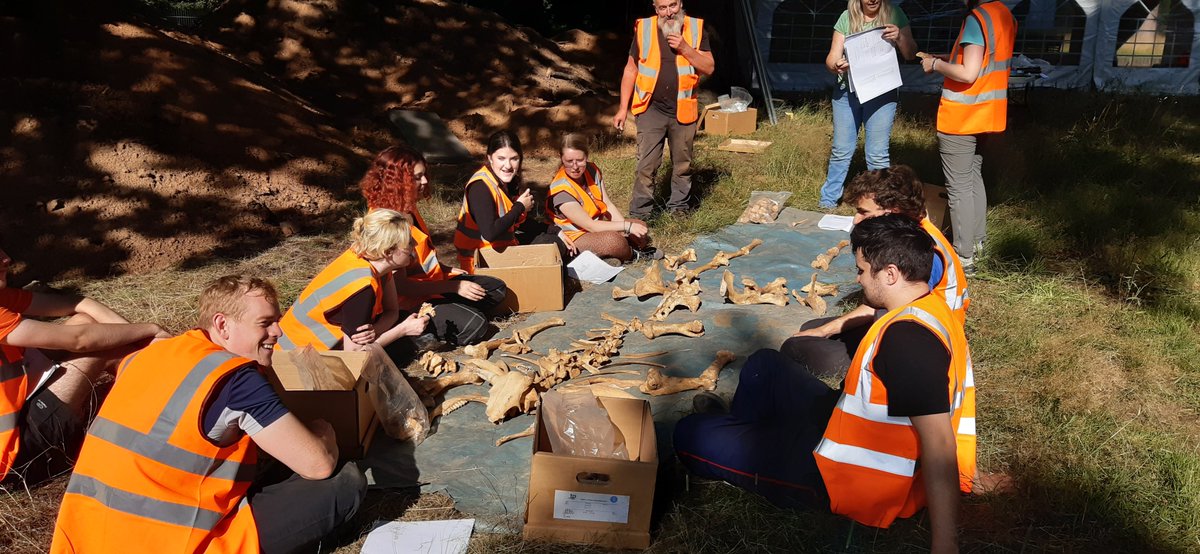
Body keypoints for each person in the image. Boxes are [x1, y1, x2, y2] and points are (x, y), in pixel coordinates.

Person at [674, 215, 976, 553]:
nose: (858, 279)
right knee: (765, 364)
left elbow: (939, 444)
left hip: (848, 479)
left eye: (862, 271)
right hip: (841, 427)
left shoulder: (908, 342)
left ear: (890, 274)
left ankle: (750, 449)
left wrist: (944, 545)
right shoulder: (930, 305)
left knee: (688, 433)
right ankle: (748, 437)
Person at [51, 275, 367, 553]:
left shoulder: (150, 355)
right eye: (265, 323)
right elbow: (317, 465)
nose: (278, 332)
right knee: (344, 481)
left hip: (85, 536)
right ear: (222, 325)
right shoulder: (237, 379)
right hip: (175, 542)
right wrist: (325, 433)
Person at [0, 246, 167, 486]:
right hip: (16, 461)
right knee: (102, 348)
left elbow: (80, 305)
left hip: (18, 415)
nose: (7, 258)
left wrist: (147, 343)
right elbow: (81, 340)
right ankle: (172, 392)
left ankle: (166, 375)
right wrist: (149, 329)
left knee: (85, 324)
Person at [783, 166, 969, 377]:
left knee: (797, 347)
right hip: (902, 318)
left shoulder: (922, 250)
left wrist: (828, 331)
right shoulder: (908, 233)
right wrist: (825, 330)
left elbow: (893, 307)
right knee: (812, 328)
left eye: (863, 212)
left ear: (892, 211)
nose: (856, 219)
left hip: (921, 337)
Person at [360, 145, 507, 347]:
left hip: (430, 283)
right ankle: (413, 333)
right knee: (477, 324)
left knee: (496, 288)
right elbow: (401, 286)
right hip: (408, 301)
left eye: (424, 175)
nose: (425, 181)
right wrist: (454, 286)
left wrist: (446, 271)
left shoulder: (408, 207)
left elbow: (421, 258)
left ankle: (450, 309)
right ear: (398, 182)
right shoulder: (387, 223)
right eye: (418, 177)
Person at [922, 0, 1016, 272]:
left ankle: (964, 257)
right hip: (987, 113)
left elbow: (968, 72)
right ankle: (977, 244)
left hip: (962, 115)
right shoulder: (1002, 14)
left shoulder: (977, 18)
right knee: (973, 179)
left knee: (959, 186)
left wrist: (936, 64)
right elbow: (985, 60)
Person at [277, 209, 429, 355]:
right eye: (408, 242)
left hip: (304, 353)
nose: (415, 244)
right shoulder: (362, 289)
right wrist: (402, 330)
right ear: (387, 252)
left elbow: (392, 312)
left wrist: (375, 331)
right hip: (293, 361)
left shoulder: (372, 262)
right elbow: (355, 354)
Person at [614, 0, 715, 219]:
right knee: (646, 165)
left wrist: (685, 48)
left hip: (683, 110)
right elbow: (631, 70)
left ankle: (678, 209)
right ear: (654, 7)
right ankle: (640, 215)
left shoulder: (695, 28)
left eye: (673, 6)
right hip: (650, 108)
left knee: (682, 165)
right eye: (662, 8)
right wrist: (623, 108)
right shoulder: (645, 28)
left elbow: (708, 67)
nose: (668, 13)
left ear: (680, 3)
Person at [818, 0, 917, 209]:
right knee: (841, 150)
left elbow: (910, 53)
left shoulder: (895, 14)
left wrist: (899, 37)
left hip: (881, 91)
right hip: (847, 93)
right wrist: (836, 65)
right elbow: (831, 57)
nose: (872, 0)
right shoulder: (847, 17)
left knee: (877, 153)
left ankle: (880, 203)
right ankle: (828, 200)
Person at [454, 130, 572, 273]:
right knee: (550, 246)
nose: (508, 165)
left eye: (514, 158)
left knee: (553, 241)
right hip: (481, 263)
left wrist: (555, 230)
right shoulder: (480, 187)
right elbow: (490, 233)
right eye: (501, 158)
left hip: (500, 251)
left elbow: (518, 223)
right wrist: (520, 207)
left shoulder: (505, 182)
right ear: (490, 158)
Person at [547, 133, 659, 263]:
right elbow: (591, 226)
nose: (575, 166)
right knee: (615, 242)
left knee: (640, 226)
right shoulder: (561, 190)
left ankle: (612, 255)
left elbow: (608, 204)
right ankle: (634, 255)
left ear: (586, 156)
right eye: (569, 161)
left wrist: (626, 230)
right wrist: (626, 227)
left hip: (596, 227)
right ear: (561, 159)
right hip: (575, 237)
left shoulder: (592, 170)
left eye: (580, 160)